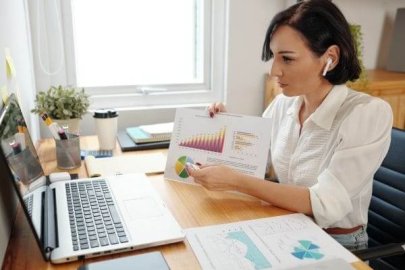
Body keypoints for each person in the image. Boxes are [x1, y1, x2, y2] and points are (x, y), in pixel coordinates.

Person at [187, 0, 393, 251]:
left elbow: (324, 203)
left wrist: (236, 182)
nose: (275, 71)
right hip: (285, 223)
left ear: (330, 58)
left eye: (287, 59)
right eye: (274, 57)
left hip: (336, 242)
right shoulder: (284, 105)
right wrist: (226, 127)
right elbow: (255, 164)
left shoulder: (367, 113)